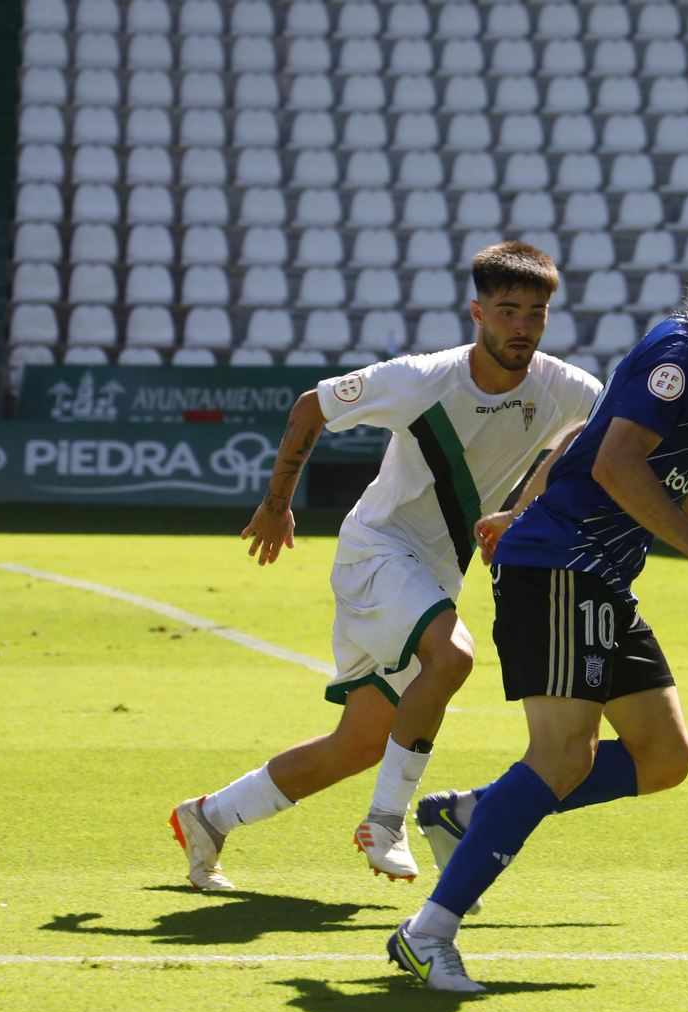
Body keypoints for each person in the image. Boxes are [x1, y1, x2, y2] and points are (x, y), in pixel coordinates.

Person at [386, 232, 688, 992]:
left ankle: (477, 812)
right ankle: (430, 931)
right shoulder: (680, 361)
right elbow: (617, 463)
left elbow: (601, 442)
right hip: (563, 569)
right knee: (562, 756)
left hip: (597, 576)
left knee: (663, 758)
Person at [169, 242, 601, 892]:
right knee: (453, 658)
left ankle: (208, 817)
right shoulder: (424, 378)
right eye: (507, 311)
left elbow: (606, 430)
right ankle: (386, 821)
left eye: (535, 314)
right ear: (476, 312)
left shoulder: (561, 387)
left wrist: (524, 504)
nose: (522, 328)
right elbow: (311, 406)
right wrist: (277, 503)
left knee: (362, 741)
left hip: (435, 572)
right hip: (378, 553)